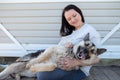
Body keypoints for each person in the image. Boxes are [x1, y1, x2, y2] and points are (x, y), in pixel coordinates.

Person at [37, 4, 101, 80]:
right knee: (38, 54)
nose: (73, 20)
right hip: (58, 57)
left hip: (76, 69)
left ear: (80, 13)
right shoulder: (70, 31)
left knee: (42, 75)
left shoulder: (91, 32)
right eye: (69, 19)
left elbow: (97, 59)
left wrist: (75, 62)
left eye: (74, 15)